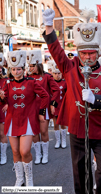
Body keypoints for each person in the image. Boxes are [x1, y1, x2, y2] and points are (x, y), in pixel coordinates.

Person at [42, 8, 101, 194]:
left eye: (91, 53)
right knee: (80, 173)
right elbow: (56, 51)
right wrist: (48, 26)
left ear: (98, 52)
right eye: (83, 53)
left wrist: (96, 99)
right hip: (78, 131)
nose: (87, 57)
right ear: (78, 52)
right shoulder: (70, 70)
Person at [0, 50, 49, 186]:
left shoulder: (31, 82)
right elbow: (3, 103)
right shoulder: (7, 84)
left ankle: (29, 179)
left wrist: (41, 112)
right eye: (14, 69)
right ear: (11, 69)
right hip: (12, 120)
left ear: (23, 69)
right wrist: (1, 98)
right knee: (15, 151)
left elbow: (45, 96)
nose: (16, 72)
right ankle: (19, 179)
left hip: (27, 121)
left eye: (19, 69)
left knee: (25, 151)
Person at [26, 50, 60, 164]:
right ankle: (38, 155)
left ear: (38, 65)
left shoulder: (47, 76)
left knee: (44, 132)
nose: (30, 68)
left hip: (43, 107)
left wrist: (52, 104)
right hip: (31, 108)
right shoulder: (27, 78)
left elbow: (56, 91)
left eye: (32, 66)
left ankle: (45, 154)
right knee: (34, 133)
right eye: (29, 66)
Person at [51, 60, 67, 148]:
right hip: (55, 105)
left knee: (62, 123)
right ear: (52, 73)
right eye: (55, 73)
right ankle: (58, 141)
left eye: (59, 73)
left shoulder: (64, 82)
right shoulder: (51, 83)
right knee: (56, 123)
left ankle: (63, 140)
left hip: (62, 105)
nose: (57, 75)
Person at [0, 53, 8, 165]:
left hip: (1, 108)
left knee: (2, 134)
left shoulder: (6, 81)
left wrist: (7, 102)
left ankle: (3, 155)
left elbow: (10, 96)